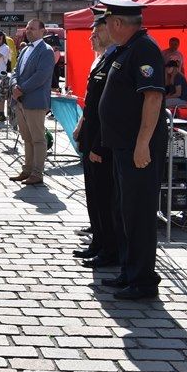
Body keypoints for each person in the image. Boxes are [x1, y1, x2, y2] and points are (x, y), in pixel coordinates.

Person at [96, 0, 166, 301]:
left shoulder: (144, 48)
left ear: (116, 24)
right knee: (124, 211)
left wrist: (142, 144)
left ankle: (143, 280)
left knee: (138, 214)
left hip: (137, 149)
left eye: (107, 22)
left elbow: (152, 98)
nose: (105, 28)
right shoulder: (126, 50)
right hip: (122, 147)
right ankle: (129, 271)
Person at [73, 18, 117, 267]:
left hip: (101, 141)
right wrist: (81, 129)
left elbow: (108, 109)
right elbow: (91, 104)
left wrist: (98, 144)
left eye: (97, 32)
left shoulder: (114, 60)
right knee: (93, 195)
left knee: (104, 196)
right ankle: (98, 242)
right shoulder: (100, 59)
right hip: (91, 137)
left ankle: (109, 248)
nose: (92, 38)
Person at [9, 19, 55, 187]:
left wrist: (21, 89)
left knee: (38, 138)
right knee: (26, 138)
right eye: (27, 29)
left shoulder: (46, 51)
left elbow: (41, 75)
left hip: (34, 100)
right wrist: (14, 85)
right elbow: (15, 71)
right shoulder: (25, 49)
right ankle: (27, 169)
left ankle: (37, 172)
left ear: (42, 31)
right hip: (21, 100)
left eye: (33, 29)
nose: (29, 31)